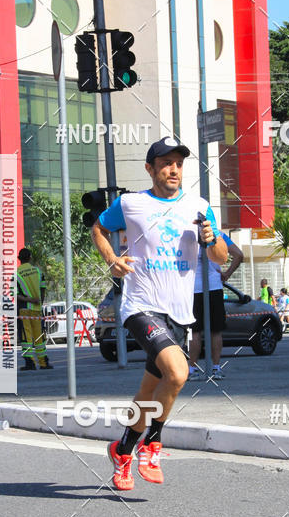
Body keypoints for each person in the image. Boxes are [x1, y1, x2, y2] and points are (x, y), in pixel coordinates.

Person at [91, 136, 227, 491]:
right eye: (165, 163)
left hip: (180, 315)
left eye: (179, 163)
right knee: (179, 374)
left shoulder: (198, 206)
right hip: (141, 306)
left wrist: (212, 239)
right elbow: (99, 228)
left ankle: (122, 451)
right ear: (150, 169)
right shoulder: (132, 204)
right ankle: (152, 442)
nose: (173, 170)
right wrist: (113, 260)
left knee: (149, 390)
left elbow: (221, 258)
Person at [188, 231, 243, 380]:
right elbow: (238, 255)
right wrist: (226, 275)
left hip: (193, 288)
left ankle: (192, 368)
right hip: (214, 286)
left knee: (195, 331)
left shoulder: (187, 232)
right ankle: (216, 368)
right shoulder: (218, 234)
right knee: (216, 331)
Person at [16, 248, 53, 371]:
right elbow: (43, 290)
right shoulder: (38, 271)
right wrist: (39, 302)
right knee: (39, 337)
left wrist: (29, 300)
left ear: (19, 259)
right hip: (37, 309)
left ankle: (30, 363)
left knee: (26, 337)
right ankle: (43, 363)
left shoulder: (16, 274)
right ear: (30, 257)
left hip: (24, 310)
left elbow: (15, 295)